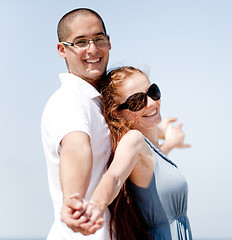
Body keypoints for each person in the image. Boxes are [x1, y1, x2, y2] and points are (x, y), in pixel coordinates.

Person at [41, 8, 188, 239]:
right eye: (80, 42)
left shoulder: (97, 102)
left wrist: (167, 139)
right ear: (62, 49)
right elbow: (77, 148)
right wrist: (73, 197)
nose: (92, 48)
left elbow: (134, 154)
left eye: (98, 39)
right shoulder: (70, 102)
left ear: (108, 42)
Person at [72, 66, 193, 240]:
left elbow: (153, 164)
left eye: (153, 92)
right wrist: (95, 206)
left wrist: (170, 140)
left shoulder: (149, 148)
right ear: (117, 114)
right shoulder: (134, 140)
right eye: (137, 101)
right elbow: (114, 177)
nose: (151, 103)